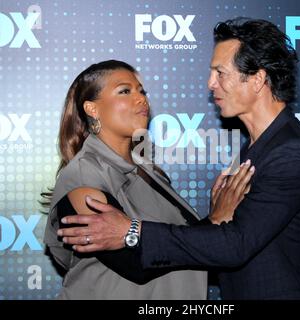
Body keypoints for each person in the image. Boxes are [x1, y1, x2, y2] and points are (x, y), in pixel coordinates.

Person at [58, 18, 300, 300]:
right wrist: (214, 222)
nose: (210, 83)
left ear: (257, 79)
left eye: (220, 73)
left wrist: (133, 231)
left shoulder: (290, 152)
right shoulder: (256, 148)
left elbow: (236, 244)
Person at [43, 59, 255, 299]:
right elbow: (134, 263)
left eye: (141, 91)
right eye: (125, 91)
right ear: (92, 109)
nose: (141, 98)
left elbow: (170, 245)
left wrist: (213, 225)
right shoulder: (84, 175)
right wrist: (215, 223)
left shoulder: (149, 171)